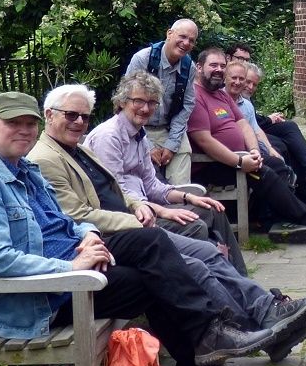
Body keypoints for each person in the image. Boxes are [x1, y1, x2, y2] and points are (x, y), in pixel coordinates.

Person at [0, 92, 273, 366]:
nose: (24, 131)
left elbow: (66, 219)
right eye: (12, 123)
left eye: (28, 124)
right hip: (39, 297)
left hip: (70, 266)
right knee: (154, 279)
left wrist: (87, 236)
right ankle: (206, 364)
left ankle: (208, 343)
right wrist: (72, 268)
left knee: (150, 243)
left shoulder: (23, 170)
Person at [29, 84, 306, 366]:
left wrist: (151, 203)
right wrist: (143, 214)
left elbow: (120, 191)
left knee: (207, 246)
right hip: (116, 237)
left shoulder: (79, 149)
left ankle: (265, 312)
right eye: (71, 115)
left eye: (83, 116)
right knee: (194, 263)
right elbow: (78, 215)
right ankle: (257, 329)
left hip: (136, 224)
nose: (79, 122)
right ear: (49, 114)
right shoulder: (52, 156)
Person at [85, 71, 249, 273]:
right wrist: (163, 211)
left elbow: (152, 185)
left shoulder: (140, 136)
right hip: (131, 218)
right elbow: (117, 195)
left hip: (148, 207)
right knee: (196, 226)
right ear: (122, 102)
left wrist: (189, 197)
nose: (146, 108)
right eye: (138, 101)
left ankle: (240, 280)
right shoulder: (109, 137)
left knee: (213, 209)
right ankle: (206, 287)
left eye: (152, 103)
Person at [189, 48, 306, 243]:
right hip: (213, 166)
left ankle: (277, 220)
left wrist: (255, 151)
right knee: (264, 173)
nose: (219, 70)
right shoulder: (196, 97)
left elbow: (244, 125)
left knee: (277, 165)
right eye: (213, 65)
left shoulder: (221, 96)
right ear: (199, 67)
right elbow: (204, 141)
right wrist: (240, 161)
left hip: (238, 158)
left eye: (222, 66)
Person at [234, 61, 306, 209]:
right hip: (244, 141)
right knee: (283, 144)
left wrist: (269, 145)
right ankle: (303, 189)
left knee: (289, 127)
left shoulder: (246, 101)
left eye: (254, 84)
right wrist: (269, 120)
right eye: (248, 82)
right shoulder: (229, 96)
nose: (250, 87)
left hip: (256, 130)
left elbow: (254, 124)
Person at [126, 18, 199, 184]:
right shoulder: (143, 59)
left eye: (191, 40)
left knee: (183, 152)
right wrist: (148, 146)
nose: (186, 43)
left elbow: (186, 106)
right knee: (145, 181)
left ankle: (181, 202)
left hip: (169, 128)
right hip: (138, 126)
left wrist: (172, 144)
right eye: (182, 36)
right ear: (169, 34)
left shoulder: (190, 68)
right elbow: (126, 104)